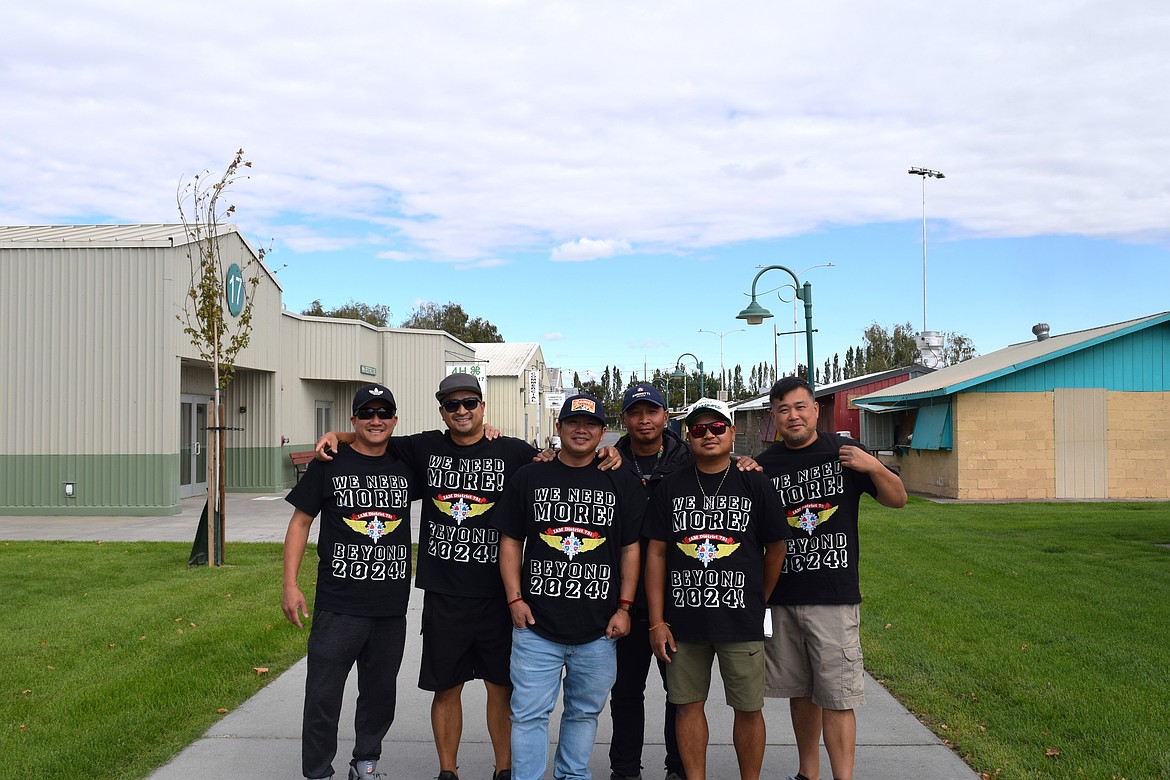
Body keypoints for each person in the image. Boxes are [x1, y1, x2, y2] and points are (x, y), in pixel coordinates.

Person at [316, 373, 539, 780]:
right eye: (452, 405)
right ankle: (448, 772)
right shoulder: (424, 447)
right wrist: (335, 433)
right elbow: (372, 435)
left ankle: (504, 770)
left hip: (498, 594)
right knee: (446, 687)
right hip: (444, 592)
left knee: (501, 688)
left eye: (469, 403)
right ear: (442, 411)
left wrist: (608, 457)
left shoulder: (512, 451)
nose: (461, 411)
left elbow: (559, 464)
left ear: (483, 407)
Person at [756, 377, 908, 780]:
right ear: (774, 416)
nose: (794, 416)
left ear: (816, 410)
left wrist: (873, 465)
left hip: (833, 596)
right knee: (800, 693)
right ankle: (809, 773)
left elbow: (898, 499)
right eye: (784, 409)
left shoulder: (844, 454)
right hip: (783, 597)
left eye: (801, 406)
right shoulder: (764, 465)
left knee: (838, 696)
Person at [608, 384, 762, 780]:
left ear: (665, 417)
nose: (644, 419)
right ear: (624, 418)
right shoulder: (607, 459)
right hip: (620, 596)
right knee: (625, 692)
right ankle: (625, 770)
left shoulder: (684, 457)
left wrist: (742, 460)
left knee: (681, 697)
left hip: (679, 602)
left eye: (652, 411)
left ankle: (678, 769)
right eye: (635, 412)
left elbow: (720, 464)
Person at [492, 393, 645, 780]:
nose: (582, 429)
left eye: (591, 424)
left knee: (584, 712)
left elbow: (630, 548)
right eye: (573, 423)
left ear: (602, 432)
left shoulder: (620, 477)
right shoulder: (529, 475)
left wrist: (624, 607)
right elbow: (510, 541)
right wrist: (514, 598)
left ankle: (573, 776)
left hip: (598, 628)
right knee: (528, 714)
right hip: (536, 625)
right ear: (558, 427)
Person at [643, 398, 789, 780]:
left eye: (717, 427)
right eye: (698, 429)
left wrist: (760, 598)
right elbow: (656, 554)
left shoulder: (754, 482)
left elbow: (777, 548)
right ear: (688, 436)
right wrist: (657, 621)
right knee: (687, 706)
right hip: (684, 622)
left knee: (748, 708)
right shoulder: (670, 486)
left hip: (740, 620)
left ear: (732, 432)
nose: (708, 435)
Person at [282, 384, 414, 780]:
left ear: (394, 420)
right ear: (353, 420)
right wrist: (290, 584)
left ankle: (366, 763)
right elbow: (300, 522)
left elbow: (463, 445)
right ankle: (319, 771)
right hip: (338, 604)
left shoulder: (406, 461)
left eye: (383, 413)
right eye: (367, 414)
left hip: (390, 606)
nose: (376, 420)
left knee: (378, 694)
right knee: (323, 695)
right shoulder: (329, 463)